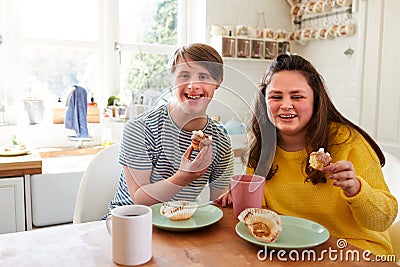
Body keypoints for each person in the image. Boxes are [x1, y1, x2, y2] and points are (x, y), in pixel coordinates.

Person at [245, 54, 398, 255]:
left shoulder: (347, 142)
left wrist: (356, 189)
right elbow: (258, 214)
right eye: (276, 96)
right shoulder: (263, 149)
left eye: (297, 96)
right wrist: (236, 195)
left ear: (316, 99)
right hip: (292, 250)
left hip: (354, 251)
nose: (285, 105)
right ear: (265, 101)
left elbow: (383, 219)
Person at [103, 43, 233, 218]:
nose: (193, 85)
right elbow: (139, 199)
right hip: (128, 223)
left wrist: (230, 197)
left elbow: (218, 203)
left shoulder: (221, 140)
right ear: (172, 80)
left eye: (203, 76)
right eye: (184, 75)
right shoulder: (140, 128)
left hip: (179, 225)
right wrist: (183, 177)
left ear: (218, 83)